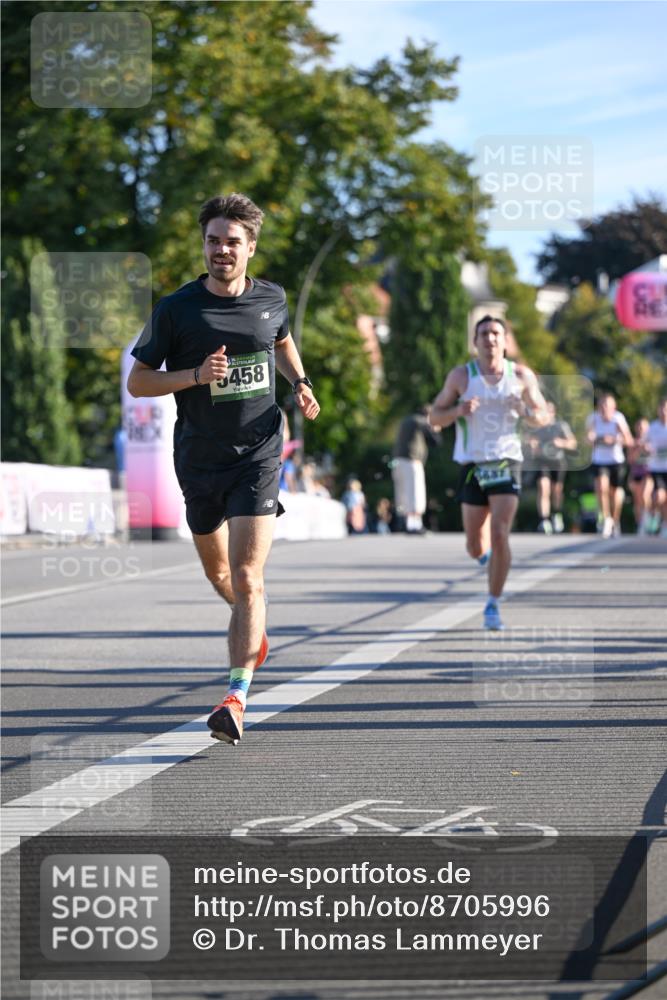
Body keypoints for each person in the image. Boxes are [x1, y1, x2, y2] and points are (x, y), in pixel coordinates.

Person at [127, 192, 320, 745]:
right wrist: (194, 375)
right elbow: (139, 382)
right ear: (204, 245)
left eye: (232, 242)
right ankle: (251, 627)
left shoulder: (272, 298)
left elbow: (280, 341)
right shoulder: (176, 309)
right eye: (213, 241)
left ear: (250, 247)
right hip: (199, 457)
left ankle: (235, 696)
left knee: (247, 576)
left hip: (259, 452)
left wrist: (301, 383)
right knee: (220, 577)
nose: (221, 251)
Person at [430, 315, 549, 631]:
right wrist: (458, 410)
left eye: (496, 333)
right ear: (475, 342)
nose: (490, 339)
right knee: (474, 545)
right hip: (472, 465)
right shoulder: (461, 376)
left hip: (506, 461)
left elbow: (543, 417)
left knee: (499, 531)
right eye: (484, 334)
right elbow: (434, 417)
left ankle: (493, 603)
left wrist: (523, 410)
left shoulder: (521, 376)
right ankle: (489, 562)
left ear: (505, 340)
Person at [585, 393, 633, 538]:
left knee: (615, 493)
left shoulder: (618, 419)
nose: (604, 408)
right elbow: (587, 438)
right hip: (599, 460)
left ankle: (615, 520)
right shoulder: (593, 418)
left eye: (607, 405)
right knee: (601, 487)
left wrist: (614, 440)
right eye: (601, 405)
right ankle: (606, 518)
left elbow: (629, 441)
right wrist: (593, 437)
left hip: (616, 460)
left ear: (613, 407)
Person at [529, 401, 577, 534]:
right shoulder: (537, 427)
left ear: (553, 413)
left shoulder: (561, 426)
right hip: (542, 461)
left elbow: (573, 443)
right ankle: (544, 520)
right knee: (543, 488)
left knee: (556, 490)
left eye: (547, 412)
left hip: (557, 461)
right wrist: (533, 445)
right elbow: (530, 441)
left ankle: (556, 514)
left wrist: (561, 443)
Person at [392, 405, 441, 534]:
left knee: (403, 493)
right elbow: (435, 441)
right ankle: (415, 525)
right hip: (412, 461)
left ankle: (407, 524)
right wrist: (435, 429)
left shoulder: (406, 420)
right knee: (415, 493)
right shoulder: (421, 421)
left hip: (398, 461)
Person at [627, 417, 654, 534]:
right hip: (636, 474)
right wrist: (638, 448)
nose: (640, 429)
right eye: (638, 427)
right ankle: (640, 525)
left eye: (643, 427)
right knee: (637, 501)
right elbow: (630, 460)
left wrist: (648, 449)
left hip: (649, 473)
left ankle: (649, 518)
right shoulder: (633, 442)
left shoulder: (653, 441)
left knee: (645, 495)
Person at [646, 397, 667, 536]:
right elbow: (644, 444)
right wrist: (647, 448)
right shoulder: (652, 427)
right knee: (659, 496)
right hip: (657, 468)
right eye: (662, 408)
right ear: (658, 410)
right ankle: (653, 518)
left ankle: (664, 524)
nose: (664, 411)